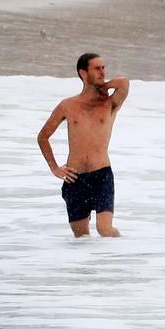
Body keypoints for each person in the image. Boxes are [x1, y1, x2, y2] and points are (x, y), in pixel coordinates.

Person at [36, 52, 130, 238]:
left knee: (104, 229)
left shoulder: (109, 103)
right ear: (83, 73)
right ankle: (89, 268)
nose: (103, 72)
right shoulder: (68, 105)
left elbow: (124, 83)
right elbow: (43, 137)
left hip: (101, 175)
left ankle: (120, 255)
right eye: (97, 68)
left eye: (103, 68)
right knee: (81, 239)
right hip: (74, 179)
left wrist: (103, 86)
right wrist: (54, 168)